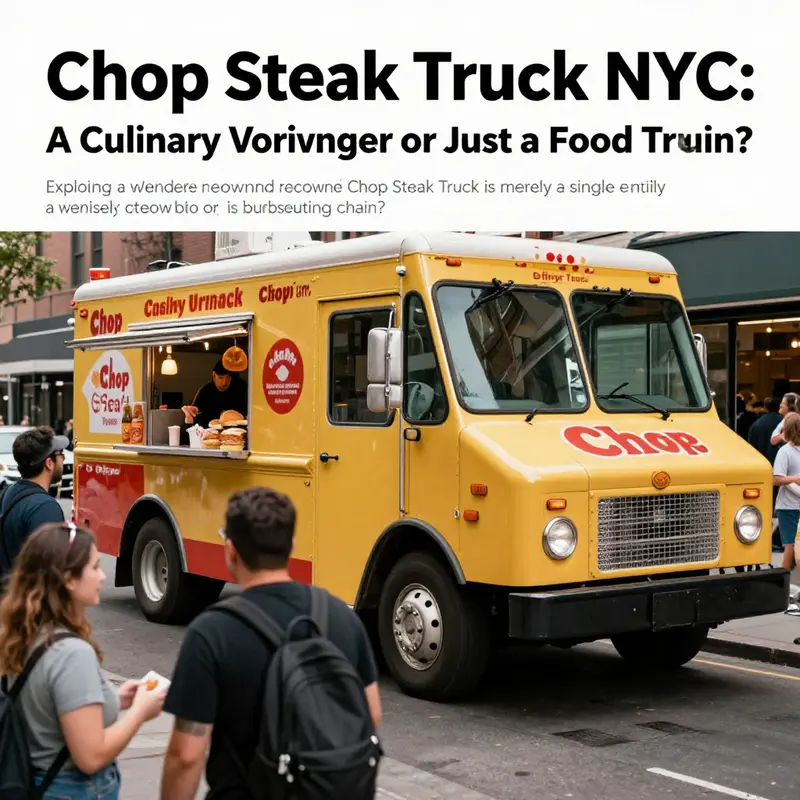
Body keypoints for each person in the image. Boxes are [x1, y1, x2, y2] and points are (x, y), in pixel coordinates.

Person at [160, 487, 382, 800]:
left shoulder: (211, 633)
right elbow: (371, 713)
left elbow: (186, 755)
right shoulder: (340, 616)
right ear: (292, 546)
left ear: (231, 551)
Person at [0, 522, 166, 799]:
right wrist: (140, 711)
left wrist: (114, 699)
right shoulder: (71, 654)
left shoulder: (24, 634)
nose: (103, 576)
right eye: (95, 567)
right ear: (69, 579)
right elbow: (91, 756)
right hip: (71, 790)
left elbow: (47, 706)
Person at [0, 426, 67, 581]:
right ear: (49, 463)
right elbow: (51, 571)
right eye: (60, 453)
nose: (63, 458)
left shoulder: (8, 493)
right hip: (30, 594)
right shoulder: (45, 507)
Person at [181, 360, 248, 430]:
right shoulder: (205, 391)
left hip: (237, 432)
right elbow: (193, 415)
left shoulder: (241, 388)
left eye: (228, 377)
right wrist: (191, 412)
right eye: (220, 378)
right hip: (209, 432)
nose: (224, 383)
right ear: (214, 375)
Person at [772, 412, 800, 573]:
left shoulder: (786, 451)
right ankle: (785, 581)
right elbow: (776, 478)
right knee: (791, 546)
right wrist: (795, 479)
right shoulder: (785, 451)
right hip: (789, 507)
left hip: (791, 506)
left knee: (793, 548)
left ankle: (785, 582)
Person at [748, 397, 783, 465]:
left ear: (765, 408)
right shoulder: (785, 423)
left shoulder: (756, 424)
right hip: (780, 462)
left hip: (761, 463)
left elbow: (751, 446)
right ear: (779, 407)